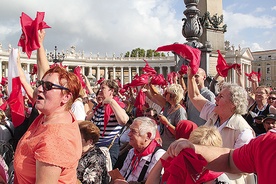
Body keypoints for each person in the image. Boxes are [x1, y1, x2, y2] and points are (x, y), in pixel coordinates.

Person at [13, 66, 82, 183]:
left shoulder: (56, 139)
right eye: (40, 83)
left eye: (48, 86)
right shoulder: (55, 114)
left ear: (66, 97)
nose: (39, 88)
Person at [187, 68, 255, 183]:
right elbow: (195, 96)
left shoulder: (243, 131)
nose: (215, 98)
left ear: (233, 104)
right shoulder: (213, 112)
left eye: (221, 97)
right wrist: (190, 77)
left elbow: (242, 166)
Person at [166, 127, 276, 184]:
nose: (216, 99)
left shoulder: (224, 179)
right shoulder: (267, 143)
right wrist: (193, 149)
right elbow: (229, 159)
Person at [146, 126, 231, 184]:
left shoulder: (219, 179)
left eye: (203, 154)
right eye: (193, 153)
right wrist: (167, 154)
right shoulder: (181, 166)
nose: (198, 159)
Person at [114, 117, 165, 183]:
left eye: (134, 131)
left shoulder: (158, 156)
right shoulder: (132, 151)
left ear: (148, 136)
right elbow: (123, 173)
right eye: (130, 130)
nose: (129, 134)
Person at [91, 79, 129, 167]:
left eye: (103, 88)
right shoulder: (99, 107)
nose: (100, 91)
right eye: (99, 88)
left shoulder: (117, 105)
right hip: (96, 147)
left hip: (108, 148)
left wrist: (111, 101)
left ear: (111, 91)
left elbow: (123, 120)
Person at [144, 83, 187, 150]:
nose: (164, 94)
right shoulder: (168, 106)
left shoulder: (180, 111)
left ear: (173, 96)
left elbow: (179, 132)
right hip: (163, 144)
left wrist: (166, 123)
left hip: (172, 146)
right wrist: (150, 83)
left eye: (167, 93)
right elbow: (155, 95)